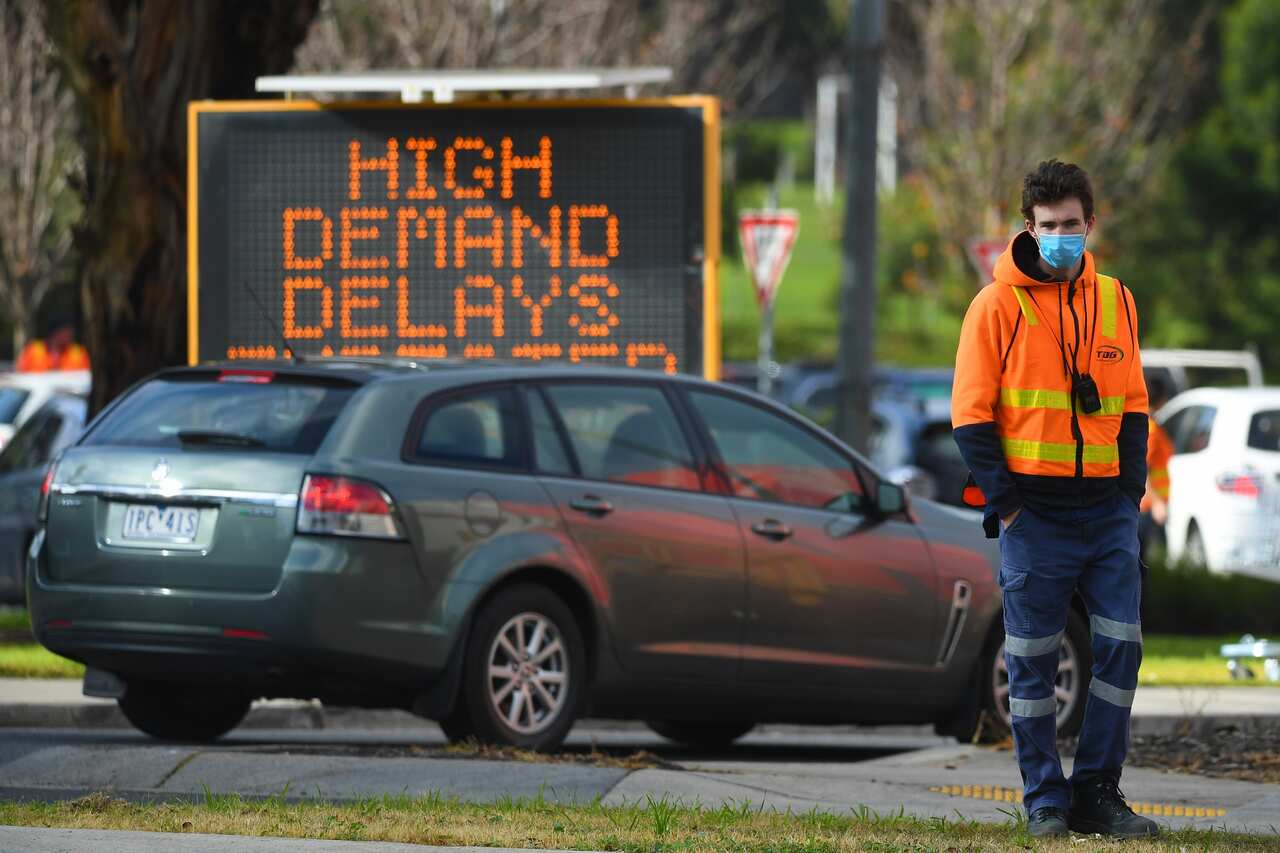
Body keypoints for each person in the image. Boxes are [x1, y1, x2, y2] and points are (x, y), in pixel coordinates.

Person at [951, 160, 1157, 838]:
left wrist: (1129, 499)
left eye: (1071, 225)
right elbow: (971, 418)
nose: (1060, 237)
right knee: (1031, 660)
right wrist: (1010, 505)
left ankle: (1097, 788)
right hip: (1033, 516)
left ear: (1089, 224)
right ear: (1028, 228)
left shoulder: (1118, 301)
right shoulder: (996, 305)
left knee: (1120, 649)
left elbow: (1132, 408)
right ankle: (1045, 797)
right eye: (1047, 227)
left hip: (1106, 514)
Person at [1139, 375, 1174, 566]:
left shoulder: (1147, 426)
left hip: (1147, 506)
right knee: (1142, 565)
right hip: (1147, 507)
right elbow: (1143, 471)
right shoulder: (1151, 430)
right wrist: (1158, 503)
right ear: (1161, 399)